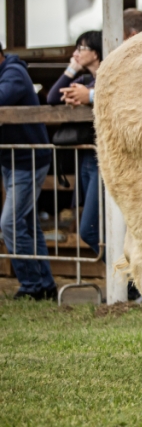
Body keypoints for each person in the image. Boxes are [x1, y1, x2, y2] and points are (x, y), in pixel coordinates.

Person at [0, 42, 56, 301]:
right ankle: (44, 283)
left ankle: (31, 284)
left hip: (27, 158)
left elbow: (3, 97)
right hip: (13, 159)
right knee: (28, 224)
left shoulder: (14, 73)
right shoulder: (10, 71)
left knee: (10, 223)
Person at [47, 31, 103, 259]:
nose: (76, 53)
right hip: (88, 159)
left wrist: (89, 96)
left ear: (96, 52)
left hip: (105, 159)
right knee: (94, 228)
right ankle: (130, 282)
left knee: (90, 229)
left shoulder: (107, 78)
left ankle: (132, 282)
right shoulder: (84, 80)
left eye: (81, 48)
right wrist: (72, 70)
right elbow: (52, 98)